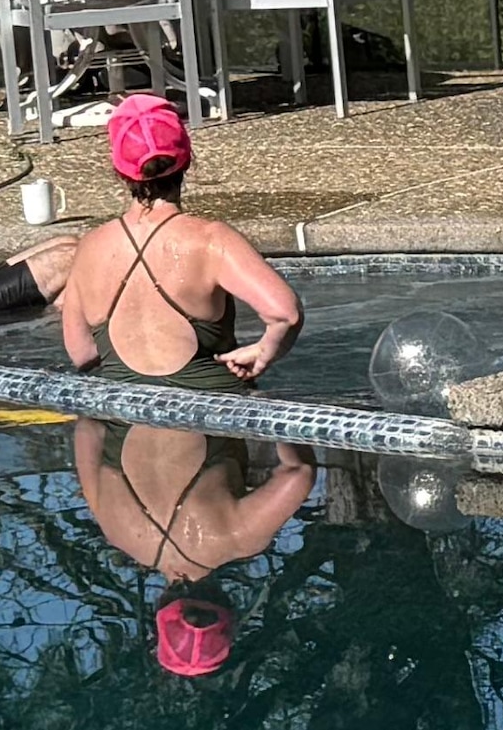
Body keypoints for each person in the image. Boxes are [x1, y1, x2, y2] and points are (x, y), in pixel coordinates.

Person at [39, 96, 297, 382]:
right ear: (187, 158)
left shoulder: (90, 248)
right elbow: (285, 315)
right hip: (213, 415)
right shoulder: (212, 240)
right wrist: (263, 352)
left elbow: (83, 354)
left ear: (119, 170)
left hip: (121, 419)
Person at [68, 416, 313, 680]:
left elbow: (299, 471)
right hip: (118, 387)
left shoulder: (238, 539)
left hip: (205, 386)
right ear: (159, 615)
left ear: (228, 609)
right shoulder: (116, 533)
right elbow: (88, 427)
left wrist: (267, 411)